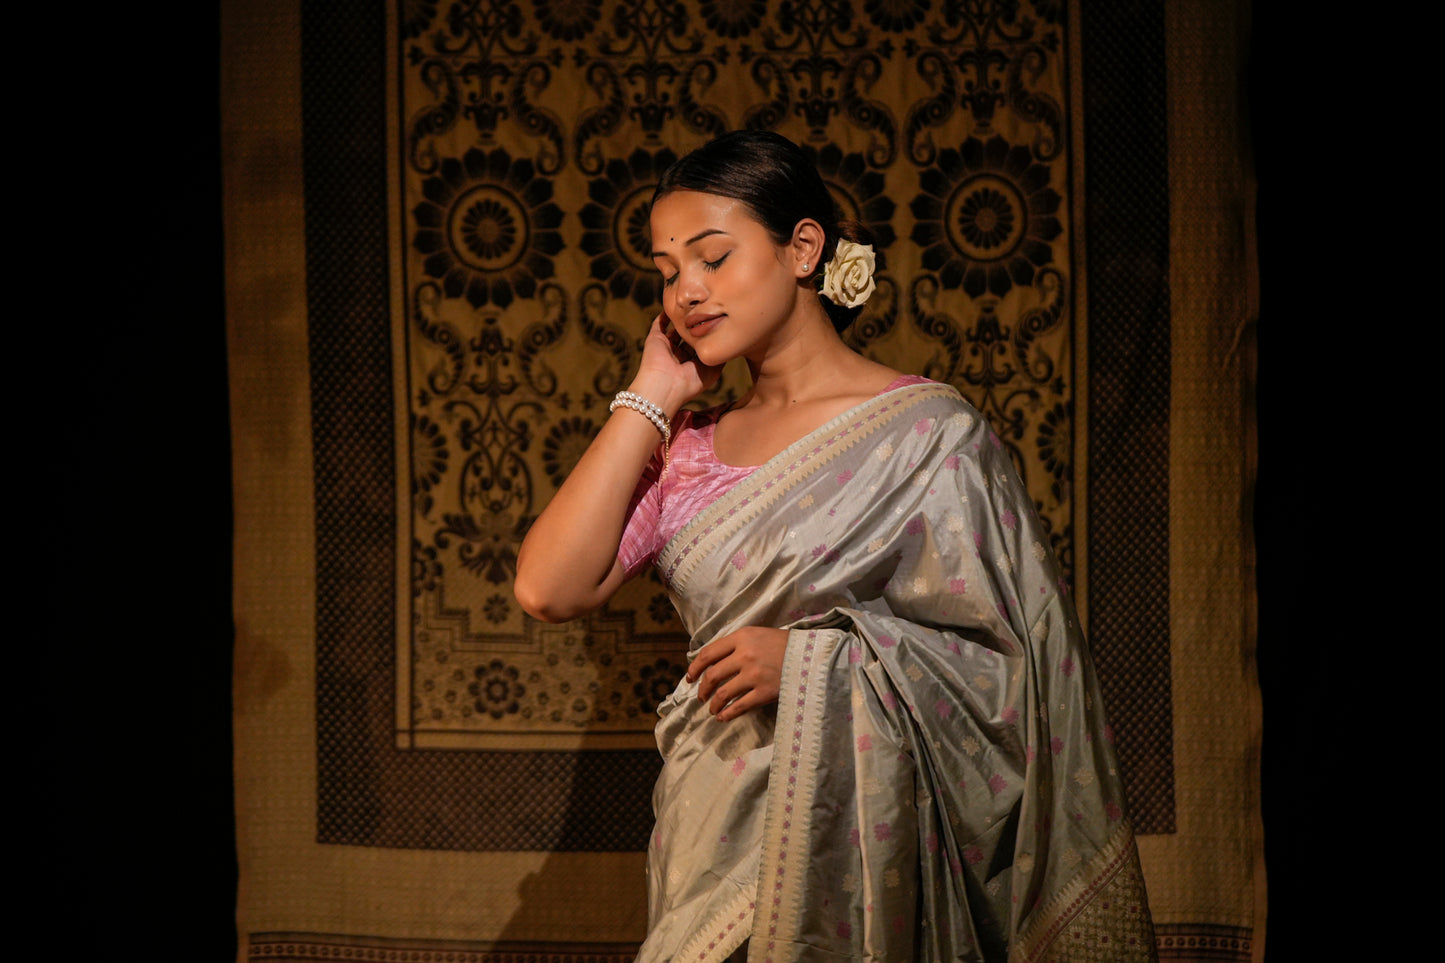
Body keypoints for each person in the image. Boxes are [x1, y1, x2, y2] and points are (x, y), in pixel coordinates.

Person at [514, 130, 1155, 961]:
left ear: (803, 248)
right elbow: (548, 588)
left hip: (875, 857)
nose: (686, 291)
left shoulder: (932, 435)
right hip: (715, 840)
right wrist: (652, 391)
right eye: (667, 272)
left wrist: (814, 663)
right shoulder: (683, 451)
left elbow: (1008, 673)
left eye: (712, 257)